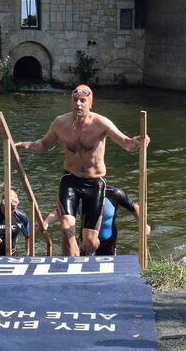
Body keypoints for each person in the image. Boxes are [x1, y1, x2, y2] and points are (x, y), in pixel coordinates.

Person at [15, 85, 149, 256]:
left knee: (90, 242)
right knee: (66, 225)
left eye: (83, 101)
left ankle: (85, 253)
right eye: (75, 100)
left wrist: (138, 142)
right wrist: (29, 145)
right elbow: (44, 144)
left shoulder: (101, 123)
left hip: (95, 183)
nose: (78, 104)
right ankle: (72, 264)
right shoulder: (60, 123)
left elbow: (127, 144)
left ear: (90, 103)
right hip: (70, 179)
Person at [91, 184, 147, 256]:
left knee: (107, 264)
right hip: (86, 237)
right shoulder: (78, 191)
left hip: (108, 240)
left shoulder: (114, 193)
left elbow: (134, 207)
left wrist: (144, 224)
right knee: (85, 264)